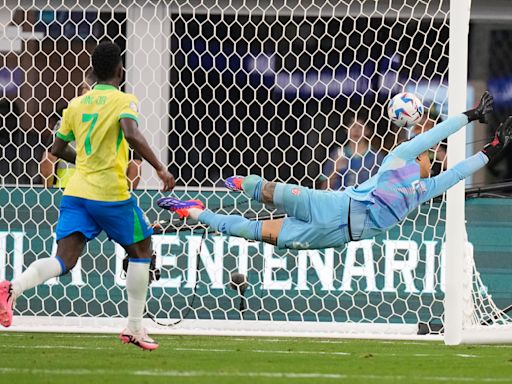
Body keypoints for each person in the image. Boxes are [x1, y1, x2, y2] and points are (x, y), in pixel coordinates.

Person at [157, 92, 507, 251]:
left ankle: (195, 210)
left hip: (334, 236)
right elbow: (431, 136)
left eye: (434, 157)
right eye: (431, 156)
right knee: (266, 191)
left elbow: (458, 172)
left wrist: (491, 151)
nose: (434, 159)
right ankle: (232, 182)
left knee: (253, 231)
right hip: (330, 206)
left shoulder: (421, 190)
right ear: (421, 158)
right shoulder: (399, 159)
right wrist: (470, 116)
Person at [0, 42, 175, 351]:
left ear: (93, 71)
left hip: (76, 194)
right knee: (142, 249)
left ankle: (12, 289)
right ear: (120, 70)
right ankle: (135, 326)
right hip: (110, 194)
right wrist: (160, 168)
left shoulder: (76, 104)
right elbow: (131, 133)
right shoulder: (124, 100)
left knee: (64, 259)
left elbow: (55, 150)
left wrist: (82, 161)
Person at [40, 74, 143, 190]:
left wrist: (48, 195)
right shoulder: (121, 119)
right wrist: (126, 194)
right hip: (108, 192)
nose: (81, 93)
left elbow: (48, 159)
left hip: (70, 191)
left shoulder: (70, 116)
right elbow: (135, 165)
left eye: (84, 88)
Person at [318, 115, 384, 190]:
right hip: (340, 200)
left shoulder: (376, 157)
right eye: (353, 126)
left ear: (367, 131)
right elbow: (324, 189)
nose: (356, 130)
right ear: (346, 129)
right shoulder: (337, 154)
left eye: (360, 127)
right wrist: (336, 170)